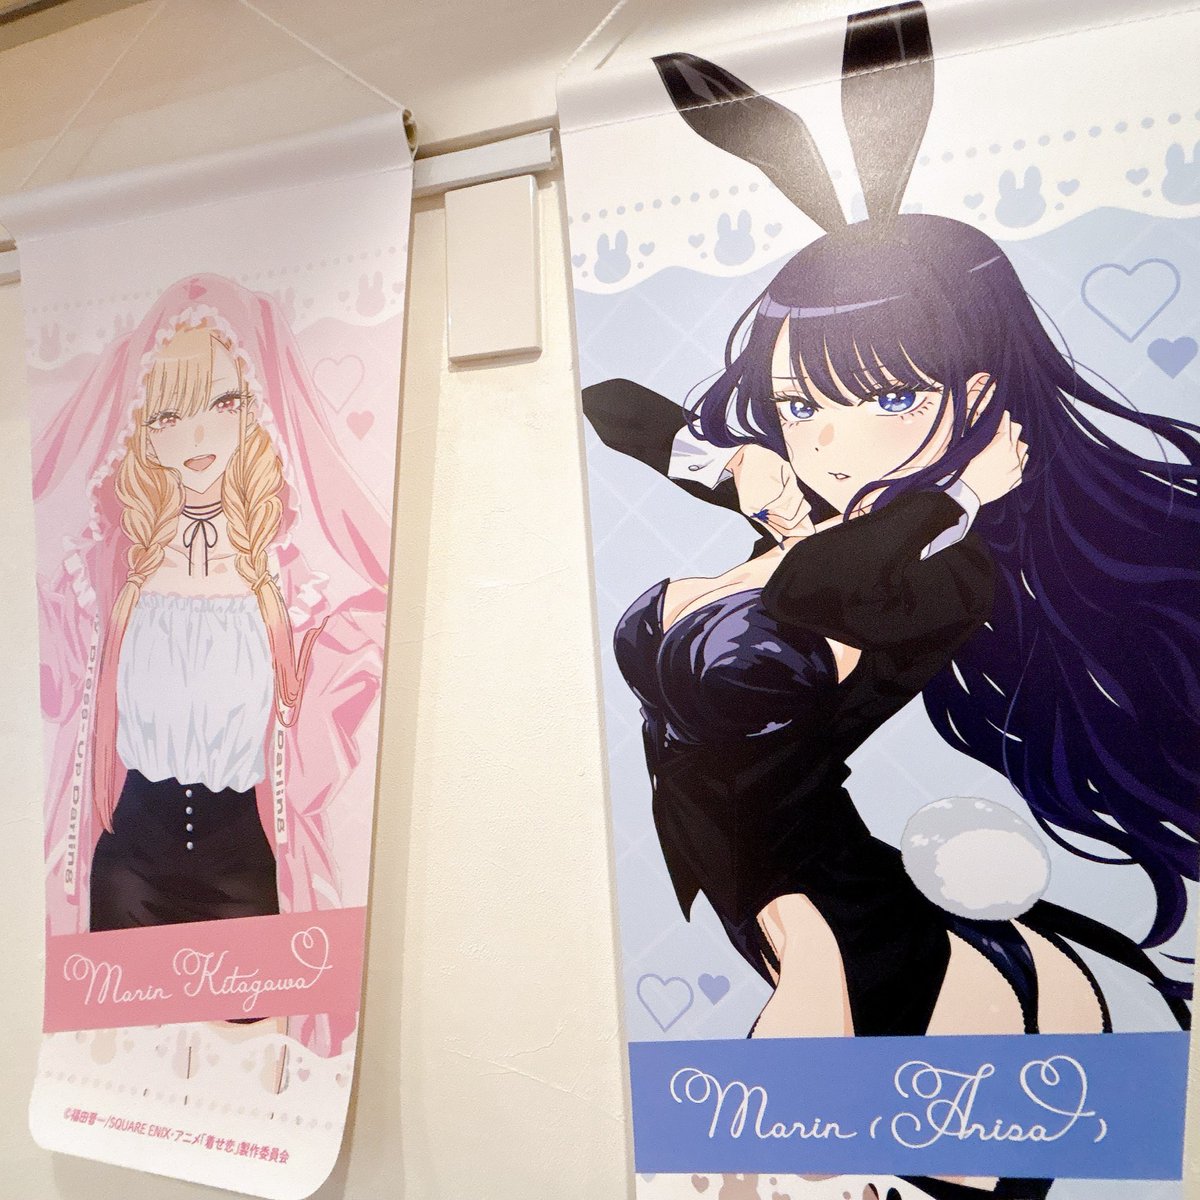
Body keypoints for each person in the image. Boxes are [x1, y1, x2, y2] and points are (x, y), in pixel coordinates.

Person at [35, 274, 390, 1056]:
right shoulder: (110, 567)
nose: (197, 433)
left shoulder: (286, 571)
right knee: (124, 1070)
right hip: (129, 862)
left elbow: (368, 614)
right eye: (169, 414)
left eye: (222, 403)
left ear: (252, 410)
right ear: (141, 430)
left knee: (259, 1072)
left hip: (245, 865)